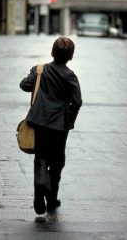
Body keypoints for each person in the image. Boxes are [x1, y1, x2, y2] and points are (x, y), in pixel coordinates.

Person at [20, 37, 82, 215]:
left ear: (52, 52)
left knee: (40, 157)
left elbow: (24, 85)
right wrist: (69, 117)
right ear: (70, 56)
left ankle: (39, 196)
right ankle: (52, 199)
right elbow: (77, 101)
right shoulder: (70, 76)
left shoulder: (39, 70)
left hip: (38, 121)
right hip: (59, 126)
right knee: (57, 161)